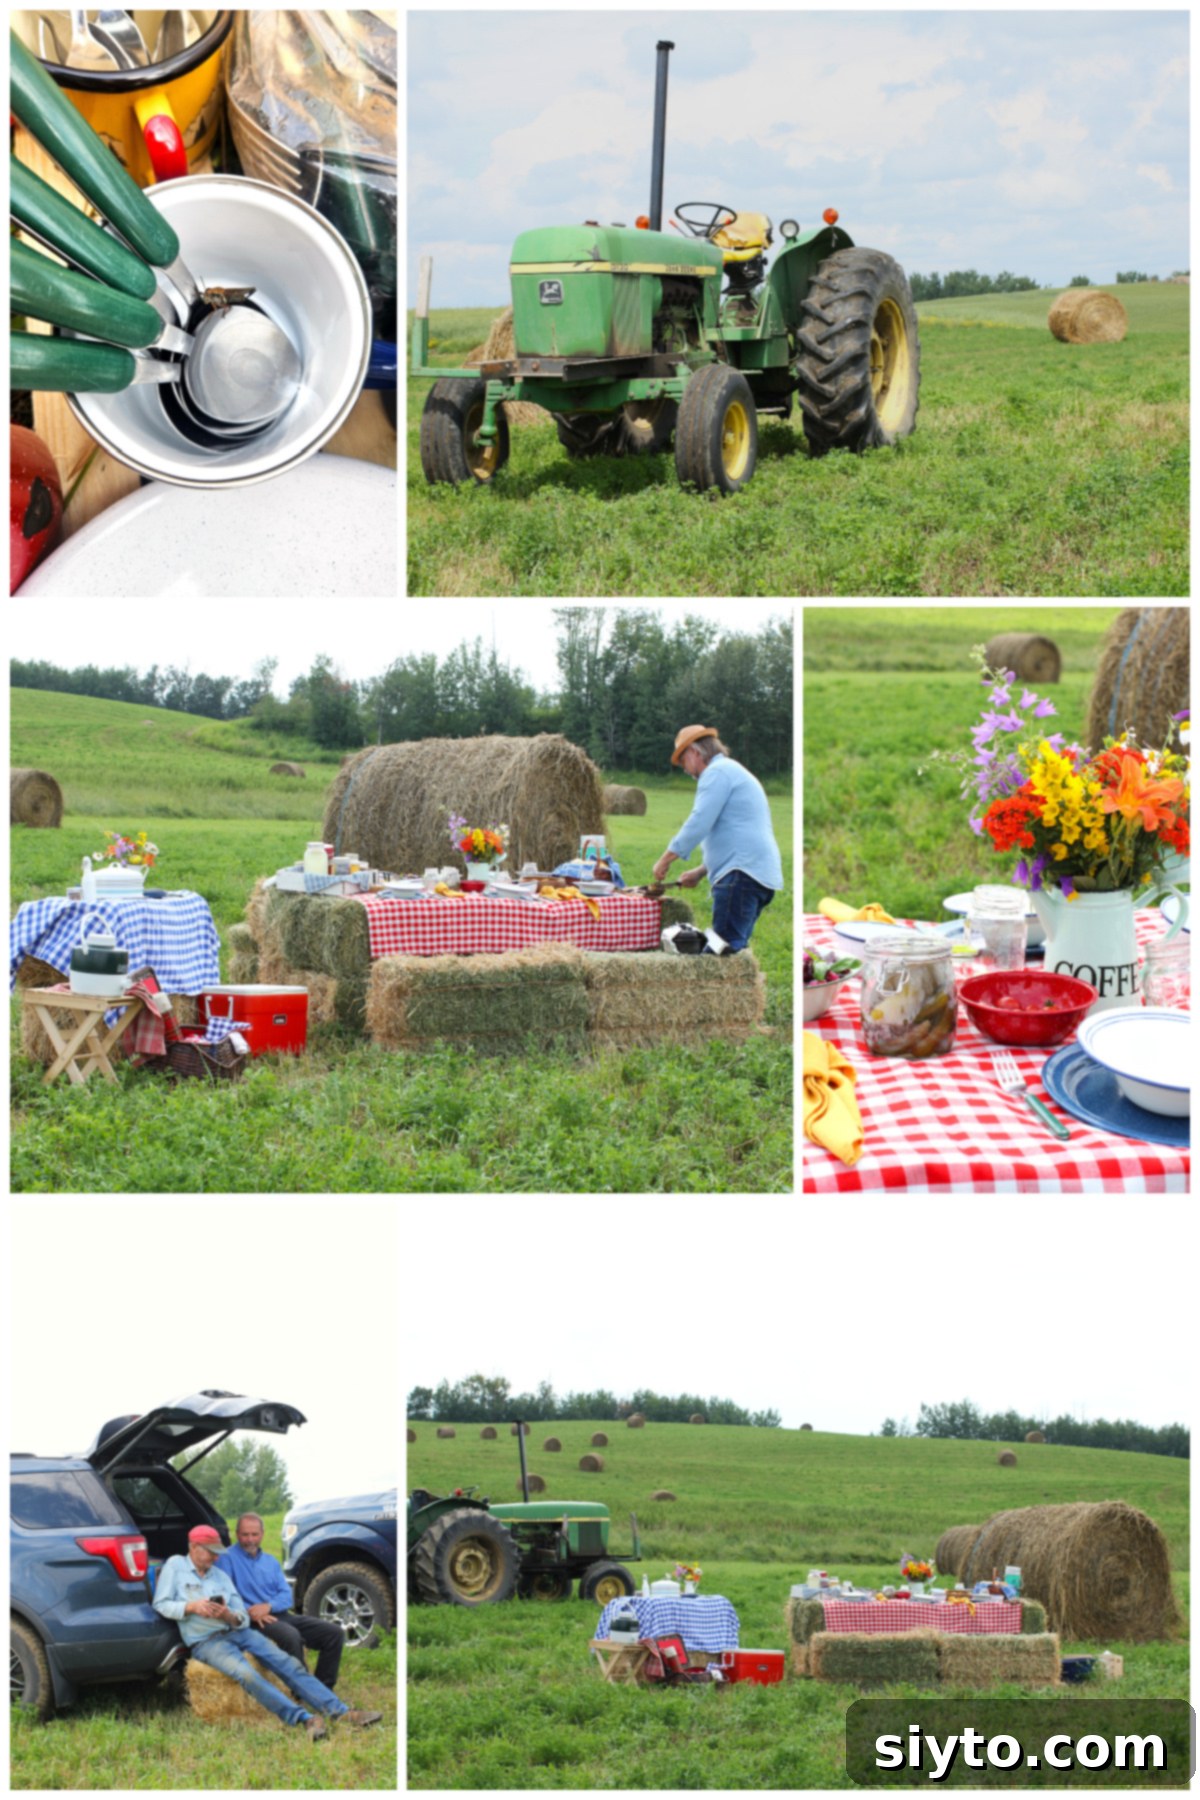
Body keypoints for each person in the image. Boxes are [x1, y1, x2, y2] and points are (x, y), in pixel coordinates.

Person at [154, 1525, 381, 1740]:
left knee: (286, 1663)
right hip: (207, 1642)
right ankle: (304, 1719)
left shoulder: (220, 1576)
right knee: (247, 1674)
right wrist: (192, 1607)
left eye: (217, 1553)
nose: (215, 1558)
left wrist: (228, 1615)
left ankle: (341, 1712)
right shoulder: (175, 1566)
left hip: (237, 1631)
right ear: (194, 1547)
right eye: (210, 1552)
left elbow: (241, 1616)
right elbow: (161, 1604)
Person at [652, 725, 783, 952]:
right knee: (731, 949)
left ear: (695, 752)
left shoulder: (716, 773)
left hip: (740, 875)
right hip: (753, 873)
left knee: (720, 953)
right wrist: (700, 871)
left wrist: (665, 859)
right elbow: (735, 832)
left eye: (683, 760)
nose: (684, 768)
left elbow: (699, 821)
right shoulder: (730, 770)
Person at [218, 1512, 345, 1690]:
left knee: (334, 1633)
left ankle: (324, 1689)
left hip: (278, 1614)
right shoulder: (226, 1558)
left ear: (262, 1534)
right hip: (252, 1620)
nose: (250, 1540)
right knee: (290, 1636)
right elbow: (224, 1594)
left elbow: (287, 1596)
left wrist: (268, 1606)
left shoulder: (271, 1562)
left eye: (254, 1534)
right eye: (245, 1534)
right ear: (237, 1534)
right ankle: (302, 1691)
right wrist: (251, 1611)